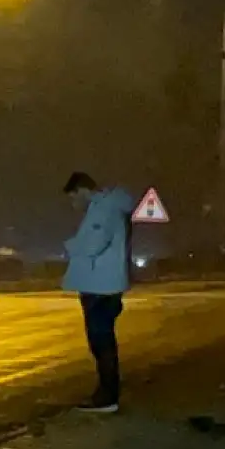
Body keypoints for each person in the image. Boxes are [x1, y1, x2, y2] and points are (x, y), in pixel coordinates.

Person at [61, 172, 136, 413]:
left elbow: (93, 245)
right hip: (103, 284)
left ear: (83, 190)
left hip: (100, 286)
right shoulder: (106, 207)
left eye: (73, 198)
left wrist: (71, 245)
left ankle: (107, 397)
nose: (73, 205)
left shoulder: (103, 210)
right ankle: (105, 393)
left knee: (101, 342)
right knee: (102, 341)